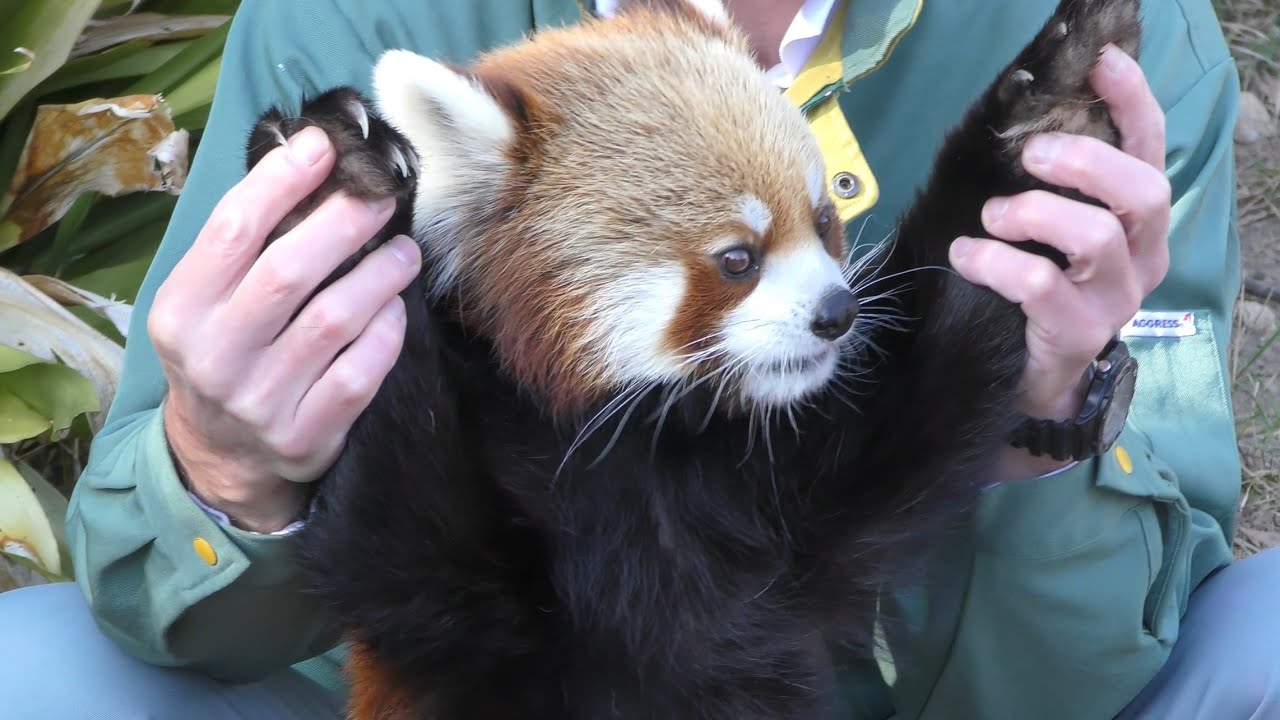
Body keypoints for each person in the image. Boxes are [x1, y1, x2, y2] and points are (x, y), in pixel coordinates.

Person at [0, 0, 1270, 718]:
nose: (829, 294)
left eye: (822, 235)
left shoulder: (1139, 50)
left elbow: (1088, 660)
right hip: (459, 661)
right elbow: (215, 578)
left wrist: (1042, 411)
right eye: (739, 259)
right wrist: (225, 465)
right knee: (35, 672)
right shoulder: (354, 22)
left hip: (815, 659)